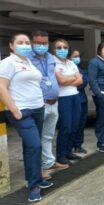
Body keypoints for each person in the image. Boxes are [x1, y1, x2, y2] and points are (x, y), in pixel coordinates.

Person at [0, 33, 53, 203]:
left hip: (38, 109)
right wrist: (15, 111)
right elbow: (1, 87)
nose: (25, 45)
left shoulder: (28, 61)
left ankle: (35, 177)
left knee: (30, 146)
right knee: (35, 145)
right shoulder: (8, 63)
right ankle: (33, 185)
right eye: (20, 42)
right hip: (22, 111)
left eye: (27, 43)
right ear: (11, 46)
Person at [29, 31, 69, 179]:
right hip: (39, 104)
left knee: (48, 136)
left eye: (44, 43)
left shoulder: (51, 58)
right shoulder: (28, 59)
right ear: (32, 43)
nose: (41, 46)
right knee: (35, 140)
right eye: (38, 43)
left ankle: (49, 162)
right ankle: (36, 169)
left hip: (54, 102)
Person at [53, 39, 83, 165]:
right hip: (63, 98)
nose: (62, 50)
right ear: (53, 50)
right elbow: (61, 81)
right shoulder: (53, 62)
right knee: (66, 127)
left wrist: (67, 79)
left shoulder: (71, 63)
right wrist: (73, 78)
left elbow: (80, 81)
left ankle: (69, 151)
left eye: (65, 47)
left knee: (75, 126)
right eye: (59, 47)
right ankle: (61, 155)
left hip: (75, 96)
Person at [69, 50, 88, 154]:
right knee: (72, 124)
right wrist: (76, 80)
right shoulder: (66, 69)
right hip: (71, 100)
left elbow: (84, 82)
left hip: (82, 100)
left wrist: (71, 81)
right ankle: (70, 146)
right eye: (74, 56)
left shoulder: (81, 70)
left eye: (78, 56)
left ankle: (78, 145)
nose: (77, 58)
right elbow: (62, 82)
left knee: (81, 124)